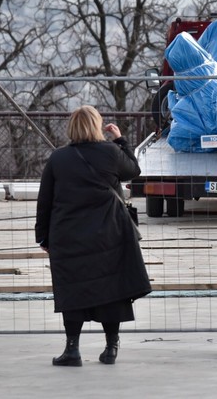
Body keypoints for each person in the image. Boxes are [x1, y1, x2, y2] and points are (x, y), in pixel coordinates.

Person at [35, 105, 151, 367]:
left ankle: (72, 350)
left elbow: (45, 200)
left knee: (72, 290)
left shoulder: (58, 158)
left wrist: (43, 237)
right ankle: (111, 349)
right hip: (109, 233)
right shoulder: (111, 153)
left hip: (68, 234)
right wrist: (120, 139)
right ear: (97, 126)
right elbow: (133, 171)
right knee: (112, 290)